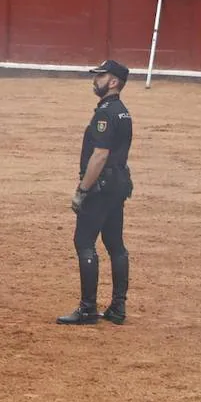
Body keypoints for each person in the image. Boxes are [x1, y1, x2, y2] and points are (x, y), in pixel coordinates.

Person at [58, 60, 134, 326]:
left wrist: (82, 189)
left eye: (101, 76)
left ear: (113, 82)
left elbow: (99, 155)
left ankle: (88, 309)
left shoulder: (105, 113)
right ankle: (117, 308)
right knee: (115, 245)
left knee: (84, 242)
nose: (95, 80)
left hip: (100, 187)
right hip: (118, 185)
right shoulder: (123, 111)